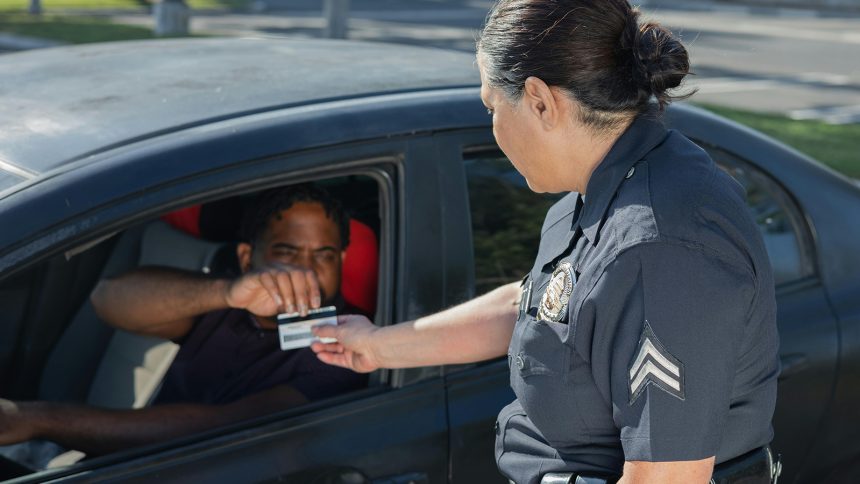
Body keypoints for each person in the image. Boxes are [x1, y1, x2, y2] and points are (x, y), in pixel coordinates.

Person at [311, 1, 780, 483]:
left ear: (539, 100)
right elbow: (544, 306)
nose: (492, 127)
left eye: (492, 106)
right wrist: (375, 347)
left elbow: (665, 479)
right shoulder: (603, 188)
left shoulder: (657, 248)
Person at [0, 184, 367, 460]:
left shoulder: (349, 340)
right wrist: (226, 292)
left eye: (324, 255)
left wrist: (42, 419)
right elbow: (108, 300)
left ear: (343, 260)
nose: (303, 269)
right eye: (285, 252)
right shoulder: (231, 300)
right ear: (246, 258)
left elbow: (222, 428)